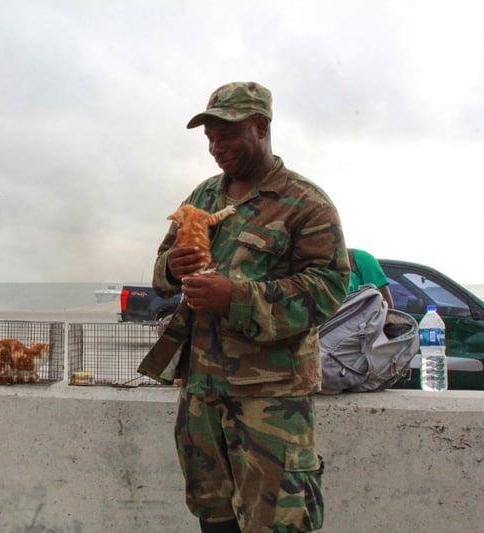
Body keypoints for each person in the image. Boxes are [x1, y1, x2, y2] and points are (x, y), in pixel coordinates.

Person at [138, 82, 350, 532]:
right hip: (201, 393)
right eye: (210, 137)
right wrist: (172, 268)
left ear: (261, 126)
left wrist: (234, 297)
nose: (216, 147)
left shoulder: (306, 204)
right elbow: (160, 273)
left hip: (269, 400)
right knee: (213, 515)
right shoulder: (202, 198)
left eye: (227, 135)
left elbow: (328, 289)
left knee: (279, 522)